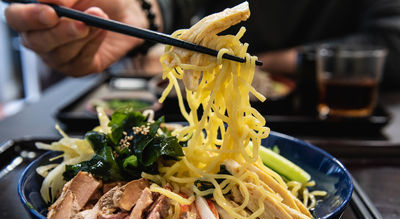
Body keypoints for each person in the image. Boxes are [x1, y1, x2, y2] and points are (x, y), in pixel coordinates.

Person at [4, 0, 400, 89]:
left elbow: (392, 42)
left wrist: (256, 61)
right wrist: (144, 11)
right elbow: (178, 3)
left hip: (346, 126)